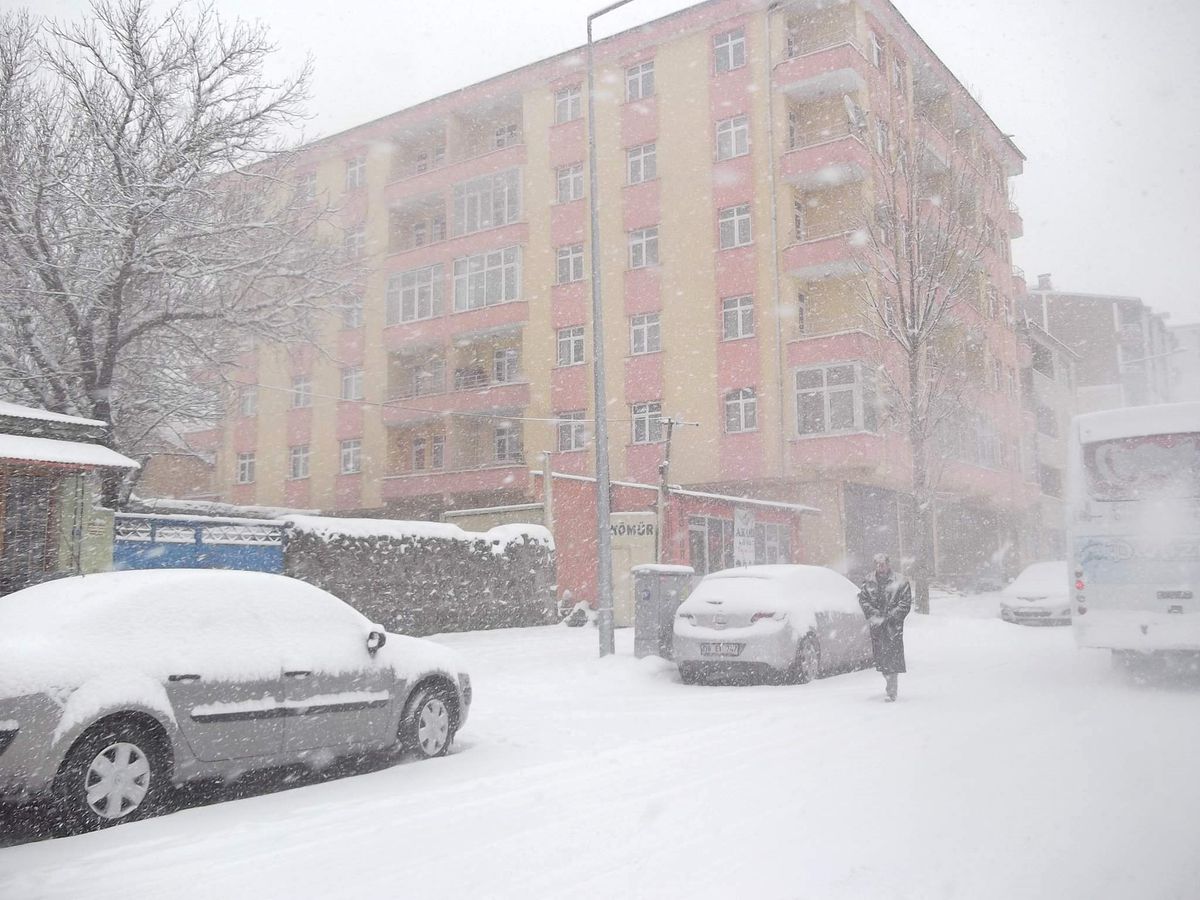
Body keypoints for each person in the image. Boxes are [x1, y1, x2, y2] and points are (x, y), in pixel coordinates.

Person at [858, 553, 912, 702]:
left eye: (882, 564)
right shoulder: (869, 580)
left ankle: (891, 690)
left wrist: (891, 617)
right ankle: (889, 683)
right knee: (881, 659)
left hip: (893, 626)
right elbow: (863, 599)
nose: (880, 567)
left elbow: (905, 603)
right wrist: (874, 613)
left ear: (888, 564)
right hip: (877, 626)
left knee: (892, 658)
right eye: (877, 564)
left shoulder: (900, 581)